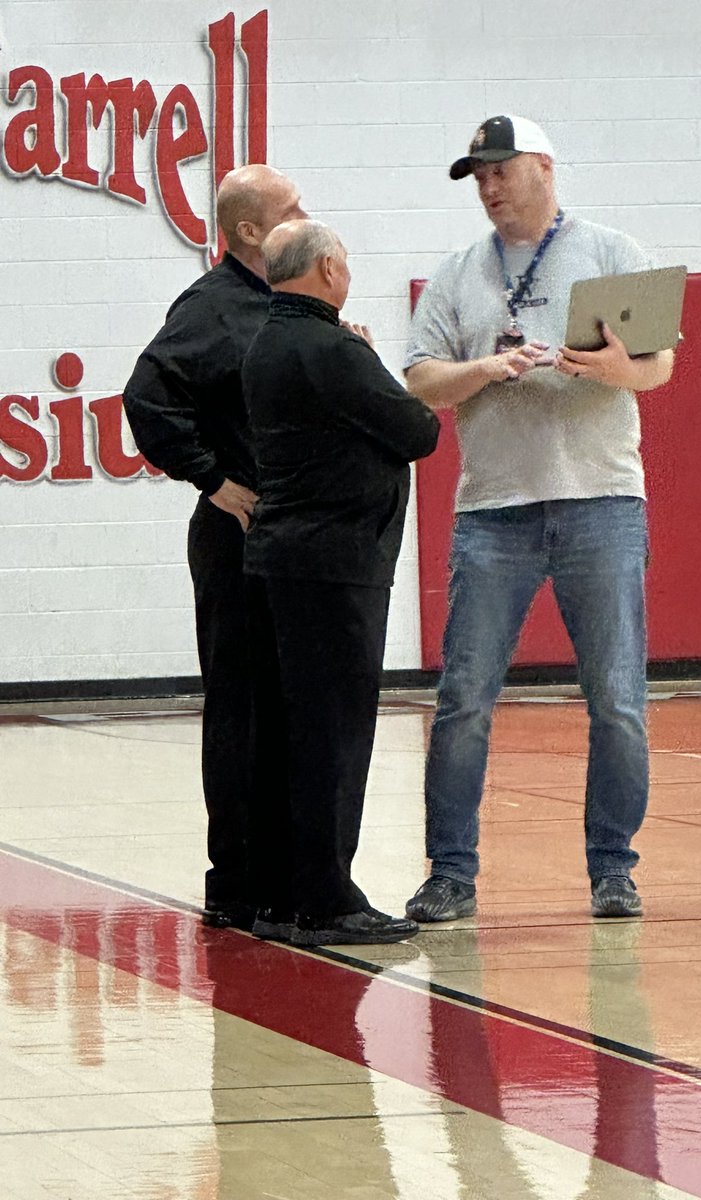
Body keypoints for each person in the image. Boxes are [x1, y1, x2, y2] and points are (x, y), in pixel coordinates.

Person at [403, 115, 676, 923]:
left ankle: (613, 869)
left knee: (617, 697)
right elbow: (420, 380)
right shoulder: (458, 274)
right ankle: (450, 873)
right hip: (494, 511)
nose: (488, 188)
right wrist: (486, 368)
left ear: (544, 168)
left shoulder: (612, 252)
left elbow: (656, 367)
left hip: (602, 500)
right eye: (477, 177)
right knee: (464, 699)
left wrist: (610, 366)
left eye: (500, 170)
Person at [242, 219, 440, 946]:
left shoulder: (267, 341)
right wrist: (369, 356)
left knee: (288, 734)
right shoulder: (331, 346)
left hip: (282, 559)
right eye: (346, 261)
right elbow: (418, 430)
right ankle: (328, 898)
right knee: (334, 735)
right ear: (326, 270)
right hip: (335, 565)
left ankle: (278, 895)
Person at [122, 165, 307, 931]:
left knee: (287, 704)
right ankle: (234, 878)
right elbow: (147, 395)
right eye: (292, 209)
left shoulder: (283, 306)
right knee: (241, 705)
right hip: (236, 534)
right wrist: (212, 479)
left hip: (288, 534)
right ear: (250, 233)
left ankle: (282, 869)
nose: (307, 215)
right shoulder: (213, 307)